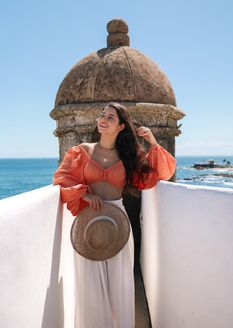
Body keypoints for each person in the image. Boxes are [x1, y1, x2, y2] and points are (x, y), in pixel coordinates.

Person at [53, 102, 176, 328]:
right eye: (102, 115)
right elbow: (62, 179)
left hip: (119, 222)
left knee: (120, 286)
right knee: (90, 288)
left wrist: (153, 142)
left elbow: (161, 173)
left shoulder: (129, 157)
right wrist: (85, 195)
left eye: (110, 117)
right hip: (88, 223)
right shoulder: (81, 152)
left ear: (121, 127)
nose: (103, 119)